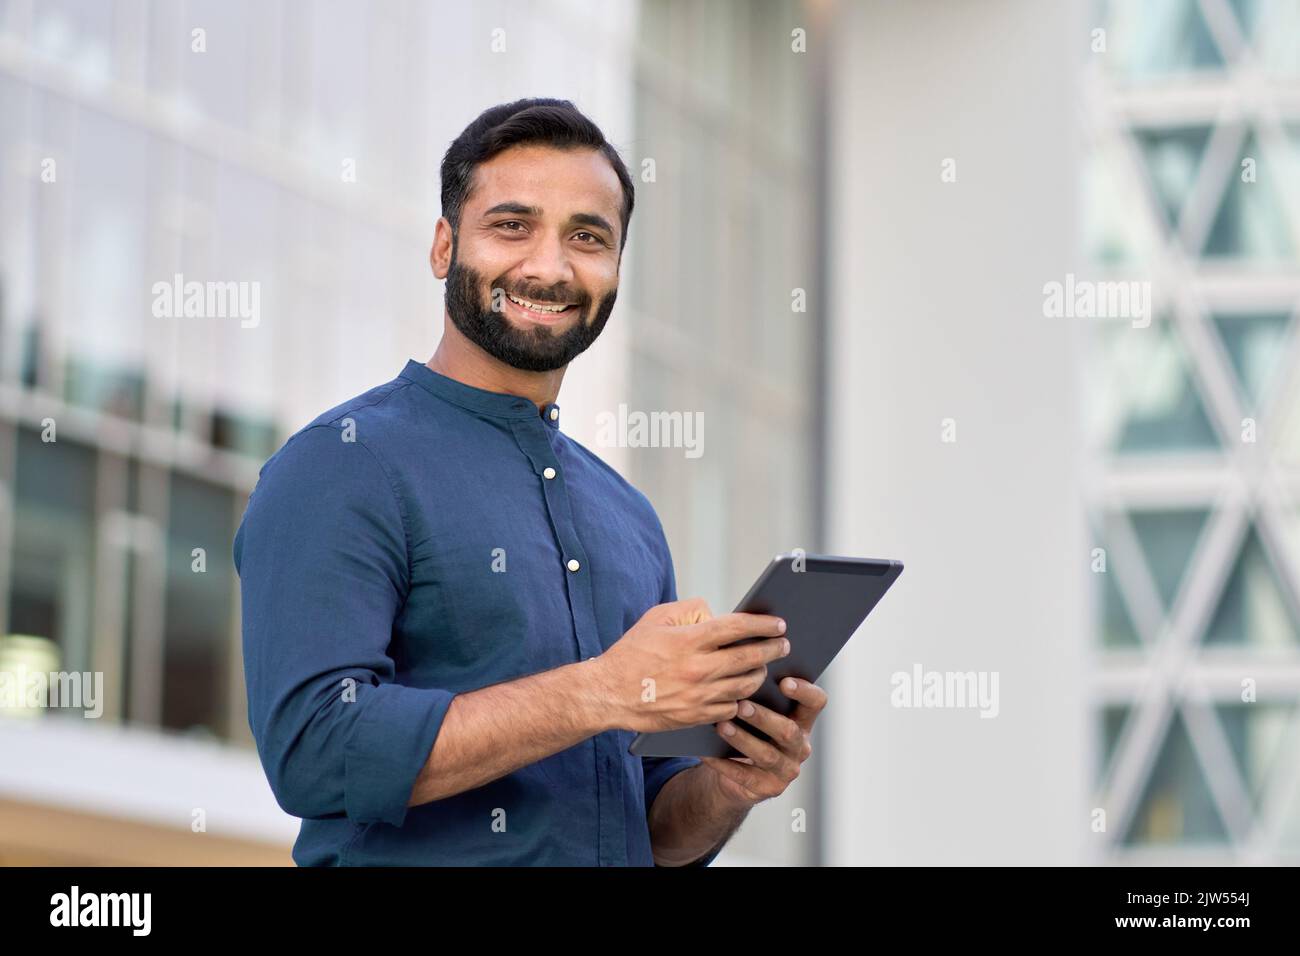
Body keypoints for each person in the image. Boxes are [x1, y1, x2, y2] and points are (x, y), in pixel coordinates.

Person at [234, 98, 825, 866]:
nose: (549, 267)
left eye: (587, 237)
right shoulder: (342, 463)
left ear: (615, 269)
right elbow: (315, 751)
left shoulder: (630, 518)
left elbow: (647, 834)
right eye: (512, 226)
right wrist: (603, 689)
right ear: (445, 247)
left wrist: (727, 785)